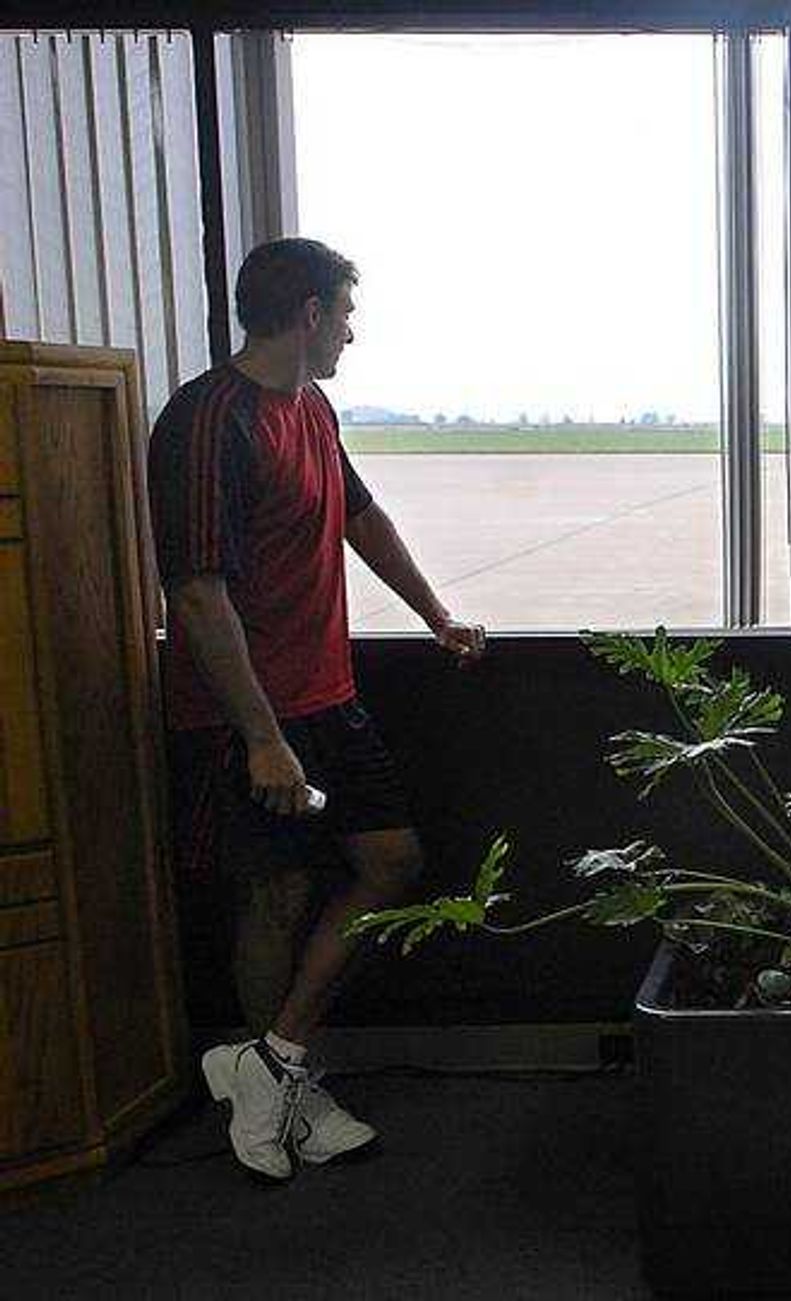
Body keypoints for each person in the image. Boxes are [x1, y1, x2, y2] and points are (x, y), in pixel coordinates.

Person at [149, 237, 486, 1182]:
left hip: (326, 694)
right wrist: (261, 738)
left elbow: (359, 516)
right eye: (343, 312)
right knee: (275, 894)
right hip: (240, 714)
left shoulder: (313, 406)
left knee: (392, 861)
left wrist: (438, 616)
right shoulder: (208, 420)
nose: (351, 330)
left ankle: (272, 1065)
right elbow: (199, 591)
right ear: (305, 314)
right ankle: (283, 1083)